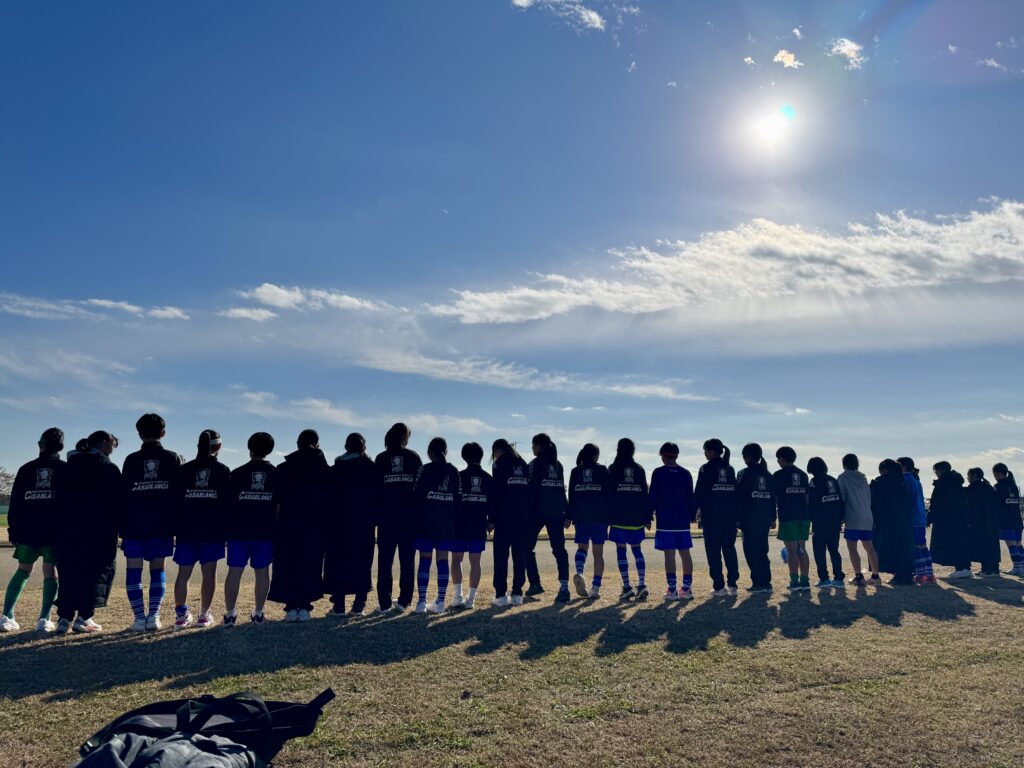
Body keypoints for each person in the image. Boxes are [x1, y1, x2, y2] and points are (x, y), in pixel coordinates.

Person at [121, 413, 183, 631]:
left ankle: (139, 618)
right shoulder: (172, 458)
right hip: (161, 524)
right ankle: (154, 616)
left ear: (139, 434)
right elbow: (178, 493)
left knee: (133, 570)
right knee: (158, 568)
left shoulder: (130, 460)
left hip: (134, 523)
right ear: (163, 433)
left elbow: (123, 494)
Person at [55, 431, 121, 633]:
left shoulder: (69, 466)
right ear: (103, 443)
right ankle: (84, 616)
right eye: (113, 444)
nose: (113, 448)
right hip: (99, 530)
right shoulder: (108, 468)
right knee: (95, 573)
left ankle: (64, 618)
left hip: (68, 529)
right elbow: (119, 502)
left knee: (69, 573)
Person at [2, 428, 65, 633]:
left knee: (23, 570)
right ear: (61, 446)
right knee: (50, 573)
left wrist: (13, 530)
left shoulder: (26, 469)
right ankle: (44, 619)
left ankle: (7, 616)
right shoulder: (65, 469)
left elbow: (16, 503)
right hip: (54, 532)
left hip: (28, 530)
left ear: (40, 445)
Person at [268, 430, 329, 622]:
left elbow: (277, 501)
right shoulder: (323, 469)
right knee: (310, 565)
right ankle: (305, 606)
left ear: (298, 444)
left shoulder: (283, 468)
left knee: (288, 565)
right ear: (317, 444)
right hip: (315, 525)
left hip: (288, 524)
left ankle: (291, 606)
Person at [172, 430, 230, 630]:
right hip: (212, 530)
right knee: (209, 574)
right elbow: (226, 504)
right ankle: (204, 614)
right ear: (219, 447)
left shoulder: (184, 470)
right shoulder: (222, 470)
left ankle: (181, 615)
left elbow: (176, 500)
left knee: (183, 574)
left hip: (186, 529)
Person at [224, 432, 278, 625]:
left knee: (234, 571)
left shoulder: (237, 473)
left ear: (250, 448)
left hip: (238, 532)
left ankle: (230, 614)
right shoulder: (275, 473)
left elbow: (228, 504)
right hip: (265, 532)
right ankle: (259, 613)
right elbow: (279, 506)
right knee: (262, 572)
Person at [325, 433, 381, 617]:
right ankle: (359, 605)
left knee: (338, 563)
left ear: (346, 446)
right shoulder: (371, 468)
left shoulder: (335, 468)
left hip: (337, 523)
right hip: (364, 524)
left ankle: (339, 605)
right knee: (362, 563)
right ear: (363, 447)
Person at [374, 423, 422, 613]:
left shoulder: (381, 458)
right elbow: (418, 488)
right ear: (405, 437)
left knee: (384, 561)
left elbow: (375, 489)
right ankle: (404, 602)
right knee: (407, 561)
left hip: (386, 518)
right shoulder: (413, 457)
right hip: (409, 518)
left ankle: (384, 603)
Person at [412, 437, 460, 614]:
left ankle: (421, 603)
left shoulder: (424, 469)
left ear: (430, 452)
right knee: (442, 561)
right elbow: (458, 498)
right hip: (446, 523)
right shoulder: (453, 471)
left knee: (424, 561)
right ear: (446, 452)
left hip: (425, 522)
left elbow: (415, 495)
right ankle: (440, 602)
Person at [525, 433, 571, 603]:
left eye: (533, 445)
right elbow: (562, 489)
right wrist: (567, 512)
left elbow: (530, 490)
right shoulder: (558, 464)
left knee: (526, 547)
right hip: (557, 512)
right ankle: (564, 587)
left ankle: (535, 583)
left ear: (539, 446)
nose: (532, 448)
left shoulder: (534, 464)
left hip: (537, 512)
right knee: (559, 549)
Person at [649, 442, 695, 600]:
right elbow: (691, 496)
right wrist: (692, 515)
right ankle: (687, 588)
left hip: (665, 519)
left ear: (663, 455)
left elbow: (653, 496)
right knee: (685, 553)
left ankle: (672, 589)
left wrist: (648, 515)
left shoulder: (658, 472)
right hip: (682, 519)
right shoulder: (685, 473)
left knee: (669, 554)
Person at [607, 438, 651, 601]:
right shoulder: (639, 469)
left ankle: (626, 587)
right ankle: (641, 584)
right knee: (637, 550)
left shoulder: (614, 468)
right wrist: (647, 517)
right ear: (633, 451)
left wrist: (608, 516)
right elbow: (644, 494)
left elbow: (609, 494)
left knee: (621, 551)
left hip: (619, 518)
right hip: (636, 518)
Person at [695, 438, 739, 597]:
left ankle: (719, 586)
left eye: (705, 450)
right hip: (729, 517)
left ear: (712, 451)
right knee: (729, 550)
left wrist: (693, 511)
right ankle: (733, 584)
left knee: (713, 552)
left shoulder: (705, 468)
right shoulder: (730, 468)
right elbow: (736, 493)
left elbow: (700, 491)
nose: (705, 454)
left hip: (712, 518)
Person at [490, 439, 532, 607]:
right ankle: (517, 593)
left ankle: (501, 595)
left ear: (497, 450)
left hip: (504, 516)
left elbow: (496, 492)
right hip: (523, 516)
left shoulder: (499, 463)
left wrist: (491, 518)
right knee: (519, 555)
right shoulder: (523, 464)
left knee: (501, 555)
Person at [568, 443, 611, 599]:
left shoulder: (575, 471)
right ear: (596, 455)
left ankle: (580, 572)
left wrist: (569, 515)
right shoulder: (602, 470)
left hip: (581, 516)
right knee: (598, 553)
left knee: (582, 548)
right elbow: (609, 494)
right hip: (599, 517)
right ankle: (595, 588)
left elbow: (571, 495)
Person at [453, 442, 491, 610]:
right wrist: (491, 521)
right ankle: (471, 600)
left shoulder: (458, 476)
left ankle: (458, 596)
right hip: (478, 524)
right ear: (481, 456)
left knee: (456, 559)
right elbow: (493, 503)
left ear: (464, 456)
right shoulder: (487, 478)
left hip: (459, 525)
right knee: (475, 561)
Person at [735, 443, 774, 593]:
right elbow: (772, 498)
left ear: (748, 457)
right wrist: (773, 517)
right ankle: (766, 581)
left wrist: (737, 518)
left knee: (751, 551)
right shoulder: (767, 474)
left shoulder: (744, 474)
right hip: (764, 518)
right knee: (763, 550)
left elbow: (739, 498)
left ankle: (758, 582)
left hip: (749, 519)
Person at [871, 459, 916, 585]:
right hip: (904, 520)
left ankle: (897, 575)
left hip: (886, 521)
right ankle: (906, 576)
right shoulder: (904, 482)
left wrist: (874, 519)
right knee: (904, 547)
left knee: (889, 548)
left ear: (884, 470)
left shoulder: (880, 482)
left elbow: (873, 502)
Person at [837, 454, 879, 585]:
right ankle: (875, 576)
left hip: (853, 517)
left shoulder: (843, 477)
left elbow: (841, 498)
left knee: (852, 547)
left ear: (844, 464)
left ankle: (859, 575)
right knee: (870, 548)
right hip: (867, 517)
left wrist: (840, 518)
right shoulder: (863, 478)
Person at [773, 446, 810, 592]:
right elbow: (807, 497)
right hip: (803, 516)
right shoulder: (803, 474)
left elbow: (774, 496)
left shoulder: (778, 475)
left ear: (782, 458)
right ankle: (805, 580)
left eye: (778, 458)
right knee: (802, 549)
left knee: (792, 550)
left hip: (788, 516)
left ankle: (794, 581)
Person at [807, 457, 846, 589]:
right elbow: (840, 500)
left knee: (820, 551)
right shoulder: (833, 480)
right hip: (835, 521)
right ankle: (839, 577)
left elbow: (811, 502)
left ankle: (824, 578)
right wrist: (842, 517)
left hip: (820, 521)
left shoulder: (814, 482)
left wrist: (811, 518)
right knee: (834, 550)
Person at [928, 461, 971, 579]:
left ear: (941, 470)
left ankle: (961, 568)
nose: (936, 473)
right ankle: (964, 567)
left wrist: (930, 518)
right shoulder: (957, 483)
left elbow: (936, 503)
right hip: (960, 518)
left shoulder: (942, 484)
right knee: (960, 543)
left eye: (936, 471)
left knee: (952, 544)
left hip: (946, 520)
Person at [898, 457, 935, 585]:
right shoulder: (915, 480)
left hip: (912, 519)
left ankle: (920, 574)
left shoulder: (905, 480)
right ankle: (929, 574)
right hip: (920, 518)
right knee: (922, 546)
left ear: (902, 467)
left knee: (915, 547)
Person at [965, 468, 1001, 576]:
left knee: (983, 545)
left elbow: (972, 507)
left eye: (969, 476)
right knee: (992, 544)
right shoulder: (988, 486)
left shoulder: (974, 488)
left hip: (979, 521)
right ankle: (994, 569)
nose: (968, 478)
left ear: (974, 476)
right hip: (992, 521)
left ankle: (987, 569)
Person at [992, 463, 1023, 576]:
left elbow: (995, 503)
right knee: (1018, 543)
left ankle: (1017, 567)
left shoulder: (998, 486)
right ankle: (1022, 565)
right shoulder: (1013, 485)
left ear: (997, 473)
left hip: (1005, 520)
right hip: (1017, 519)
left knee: (1011, 544)